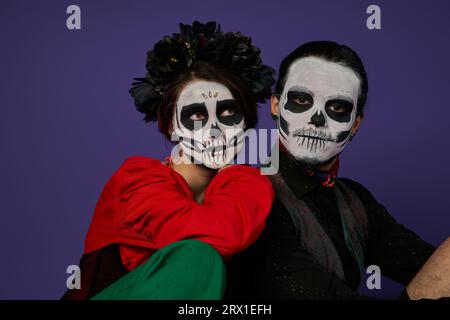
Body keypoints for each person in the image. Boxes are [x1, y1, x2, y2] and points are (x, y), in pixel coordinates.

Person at [62, 21, 275, 300]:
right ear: (171, 126)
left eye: (227, 113)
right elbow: (216, 240)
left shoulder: (248, 184)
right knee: (199, 257)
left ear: (246, 121)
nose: (214, 130)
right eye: (197, 115)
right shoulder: (138, 178)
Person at [225, 41, 450, 300]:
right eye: (301, 100)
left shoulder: (356, 200)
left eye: (337, 108)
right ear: (276, 106)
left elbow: (436, 269)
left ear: (355, 124)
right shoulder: (251, 197)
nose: (317, 119)